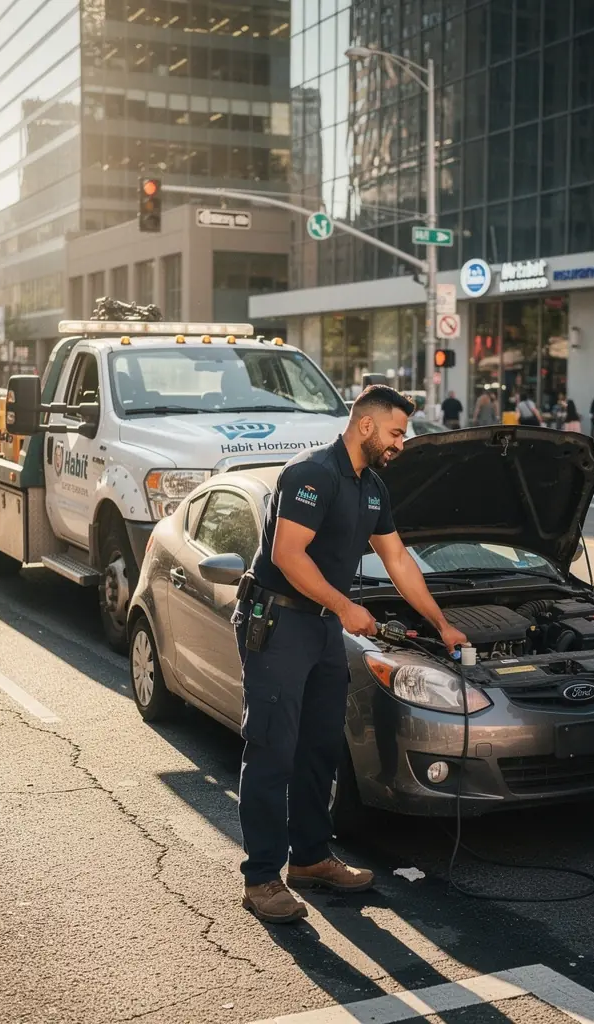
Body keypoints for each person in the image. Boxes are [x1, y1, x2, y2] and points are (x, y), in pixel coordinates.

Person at [235, 386, 468, 924]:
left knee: (320, 749)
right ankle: (262, 877)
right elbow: (287, 555)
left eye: (403, 434)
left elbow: (399, 560)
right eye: (395, 432)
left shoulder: (373, 488)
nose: (400, 443)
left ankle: (312, 859)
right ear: (366, 426)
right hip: (279, 624)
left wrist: (442, 623)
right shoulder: (311, 473)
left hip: (321, 631)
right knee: (272, 749)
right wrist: (344, 606)